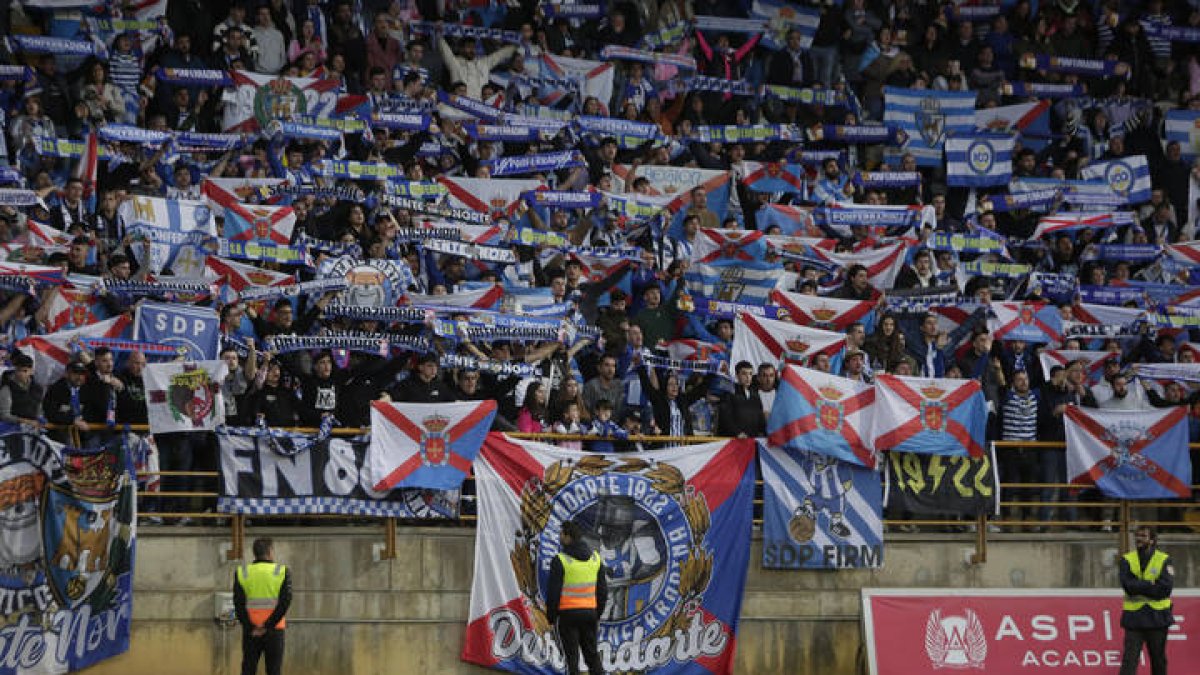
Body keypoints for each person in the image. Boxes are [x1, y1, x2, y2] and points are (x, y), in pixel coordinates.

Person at [546, 520, 607, 675]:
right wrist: (596, 613)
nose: (560, 537)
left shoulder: (560, 560)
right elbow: (603, 592)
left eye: (562, 534)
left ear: (568, 537)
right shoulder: (596, 559)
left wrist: (551, 618)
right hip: (590, 614)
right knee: (592, 656)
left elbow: (553, 593)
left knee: (571, 659)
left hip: (567, 616)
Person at [1118, 525, 1173, 675]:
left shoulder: (1164, 559)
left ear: (1152, 540)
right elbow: (1128, 586)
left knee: (1158, 659)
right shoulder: (1127, 560)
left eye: (1143, 536)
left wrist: (1139, 586)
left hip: (1157, 617)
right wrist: (1150, 584)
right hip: (1134, 619)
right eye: (1137, 536)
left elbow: (1165, 589)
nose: (1138, 539)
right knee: (1129, 660)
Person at [234, 537, 292, 675]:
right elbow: (285, 602)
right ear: (270, 551)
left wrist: (250, 627)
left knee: (248, 669)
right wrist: (267, 626)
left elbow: (238, 604)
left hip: (251, 631)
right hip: (274, 630)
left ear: (255, 553)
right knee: (273, 670)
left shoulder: (242, 572)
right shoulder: (282, 571)